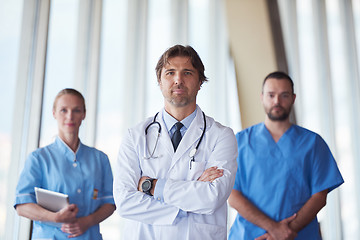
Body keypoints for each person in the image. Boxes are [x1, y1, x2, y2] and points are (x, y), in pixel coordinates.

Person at [113, 45, 238, 240]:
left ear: (200, 82)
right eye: (170, 73)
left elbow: (212, 198)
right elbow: (125, 201)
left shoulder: (222, 136)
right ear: (160, 82)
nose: (178, 80)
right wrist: (187, 204)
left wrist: (152, 187)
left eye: (187, 73)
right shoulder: (135, 136)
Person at [228, 71, 344, 240]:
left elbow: (319, 196)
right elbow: (232, 195)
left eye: (284, 95)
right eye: (271, 95)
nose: (277, 101)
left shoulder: (312, 143)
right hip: (249, 235)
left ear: (293, 98)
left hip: (299, 234)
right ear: (262, 97)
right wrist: (274, 229)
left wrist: (287, 231)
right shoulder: (240, 141)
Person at [14, 88, 116, 239]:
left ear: (84, 114)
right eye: (63, 110)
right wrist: (54, 217)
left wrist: (87, 221)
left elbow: (110, 203)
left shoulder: (100, 159)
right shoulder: (38, 158)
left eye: (76, 110)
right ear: (54, 113)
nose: (70, 116)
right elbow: (22, 206)